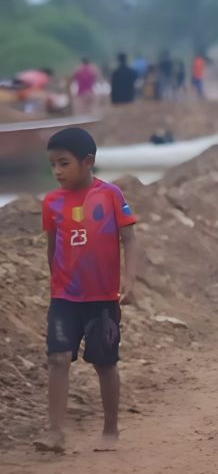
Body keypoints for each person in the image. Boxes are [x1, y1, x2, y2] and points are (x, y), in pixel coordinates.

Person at [33, 128, 139, 454]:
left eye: (64, 163)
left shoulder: (110, 195)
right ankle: (54, 432)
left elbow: (129, 238)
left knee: (104, 363)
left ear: (88, 161)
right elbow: (53, 247)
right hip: (64, 298)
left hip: (102, 300)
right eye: (52, 165)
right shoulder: (51, 203)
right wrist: (56, 284)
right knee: (57, 359)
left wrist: (131, 280)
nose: (57, 172)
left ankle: (110, 429)